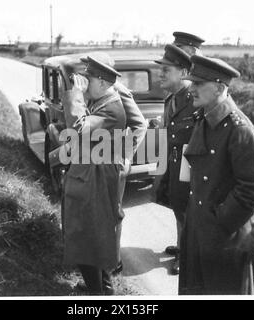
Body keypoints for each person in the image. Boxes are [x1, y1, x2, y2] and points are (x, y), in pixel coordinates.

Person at [179, 55, 254, 294]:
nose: (191, 89)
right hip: (198, 232)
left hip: (224, 240)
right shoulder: (203, 119)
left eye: (198, 84)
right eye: (191, 83)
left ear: (219, 87)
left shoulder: (239, 129)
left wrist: (219, 222)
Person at [61, 56, 126, 295]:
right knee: (94, 239)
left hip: (95, 181)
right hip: (90, 176)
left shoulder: (112, 110)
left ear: (100, 82)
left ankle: (97, 294)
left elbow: (77, 131)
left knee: (88, 238)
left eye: (88, 79)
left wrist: (76, 94)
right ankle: (102, 290)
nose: (84, 82)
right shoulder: (102, 101)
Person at [80, 52, 147, 275]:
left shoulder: (116, 92)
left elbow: (139, 124)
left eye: (90, 72)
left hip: (111, 161)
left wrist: (125, 156)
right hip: (96, 160)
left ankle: (113, 262)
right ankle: (102, 263)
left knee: (112, 214)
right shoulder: (95, 92)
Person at [153, 44, 194, 275]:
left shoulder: (195, 98)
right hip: (175, 161)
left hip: (190, 166)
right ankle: (181, 246)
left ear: (183, 73)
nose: (161, 74)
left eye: (166, 70)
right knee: (178, 208)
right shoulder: (172, 99)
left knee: (187, 212)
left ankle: (186, 256)